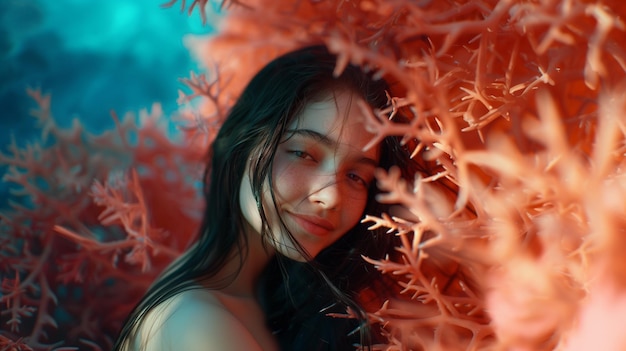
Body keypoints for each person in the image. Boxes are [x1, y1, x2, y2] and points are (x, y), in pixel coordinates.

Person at [113, 45, 417, 351]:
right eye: (303, 153)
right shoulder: (197, 324)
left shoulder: (265, 292)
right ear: (241, 144)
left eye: (356, 177)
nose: (330, 196)